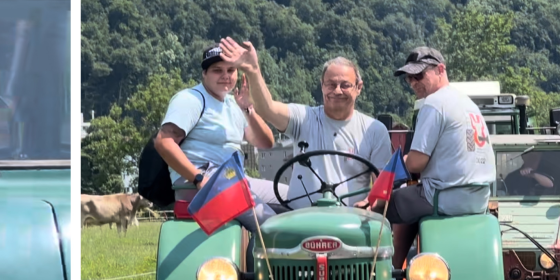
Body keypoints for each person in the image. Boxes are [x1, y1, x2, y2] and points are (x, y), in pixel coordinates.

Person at [220, 41, 392, 209]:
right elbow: (268, 108)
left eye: (345, 85)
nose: (337, 91)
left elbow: (382, 187)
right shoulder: (304, 118)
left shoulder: (374, 130)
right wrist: (253, 70)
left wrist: (371, 202)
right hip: (301, 219)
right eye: (331, 84)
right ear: (322, 86)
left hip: (352, 221)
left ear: (358, 87)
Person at [383, 47, 496, 269]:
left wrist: (398, 164)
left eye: (419, 75)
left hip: (445, 197)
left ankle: (384, 277)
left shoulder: (434, 103)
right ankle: (399, 270)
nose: (413, 82)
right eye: (409, 78)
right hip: (477, 199)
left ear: (440, 69)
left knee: (380, 207)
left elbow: (416, 163)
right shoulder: (468, 104)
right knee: (410, 200)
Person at [155, 44, 277, 229]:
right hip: (201, 181)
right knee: (272, 224)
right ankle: (262, 255)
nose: (225, 75)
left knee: (297, 197)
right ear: (204, 73)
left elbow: (265, 142)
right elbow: (164, 142)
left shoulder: (233, 103)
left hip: (234, 178)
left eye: (231, 69)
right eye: (217, 70)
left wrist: (247, 109)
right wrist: (198, 179)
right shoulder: (191, 99)